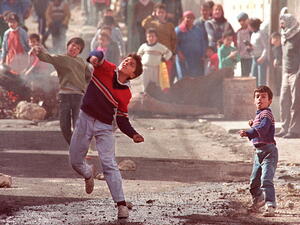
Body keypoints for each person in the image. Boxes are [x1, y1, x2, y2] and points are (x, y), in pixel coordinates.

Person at [69, 50, 144, 219]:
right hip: (85, 119)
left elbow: (122, 119)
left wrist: (133, 134)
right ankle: (88, 173)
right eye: (126, 60)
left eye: (131, 64)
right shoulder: (107, 69)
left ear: (133, 74)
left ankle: (121, 204)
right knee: (74, 161)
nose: (126, 63)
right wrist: (94, 57)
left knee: (109, 163)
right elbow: (97, 55)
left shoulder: (126, 93)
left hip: (104, 126)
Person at [32, 37, 92, 144]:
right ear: (68, 45)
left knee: (78, 123)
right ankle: (73, 144)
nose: (74, 48)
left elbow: (89, 76)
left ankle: (78, 147)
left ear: (79, 52)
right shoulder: (61, 58)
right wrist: (38, 51)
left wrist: (85, 86)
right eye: (73, 45)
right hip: (64, 96)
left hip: (78, 96)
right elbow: (47, 57)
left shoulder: (82, 62)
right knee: (64, 124)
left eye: (78, 48)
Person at [239, 85, 278, 217]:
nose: (260, 99)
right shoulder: (259, 115)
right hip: (258, 153)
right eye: (257, 97)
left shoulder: (266, 114)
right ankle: (259, 200)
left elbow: (263, 128)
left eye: (263, 97)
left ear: (270, 101)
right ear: (254, 100)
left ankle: (270, 205)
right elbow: (258, 125)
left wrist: (249, 131)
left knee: (266, 179)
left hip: (268, 152)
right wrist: (252, 124)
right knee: (254, 182)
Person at [275, 9, 300, 139]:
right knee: (284, 100)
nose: (281, 25)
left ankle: (295, 130)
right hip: (286, 73)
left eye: (283, 23)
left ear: (289, 22)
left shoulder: (298, 36)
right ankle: (284, 128)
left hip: (296, 73)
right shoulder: (285, 35)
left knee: (296, 102)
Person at [142, 3, 176, 84]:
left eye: (162, 12)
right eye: (159, 12)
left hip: (166, 56)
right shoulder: (153, 24)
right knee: (155, 79)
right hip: (155, 56)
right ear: (156, 13)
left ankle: (166, 96)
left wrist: (173, 53)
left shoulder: (170, 25)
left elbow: (173, 40)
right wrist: (151, 16)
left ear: (165, 14)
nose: (161, 14)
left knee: (166, 79)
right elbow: (144, 24)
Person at [175, 11, 205, 79]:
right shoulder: (179, 30)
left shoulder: (198, 30)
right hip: (183, 59)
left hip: (196, 59)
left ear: (194, 19)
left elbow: (202, 42)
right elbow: (174, 43)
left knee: (195, 78)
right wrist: (179, 53)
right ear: (183, 18)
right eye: (187, 17)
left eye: (191, 18)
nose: (189, 19)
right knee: (184, 79)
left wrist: (203, 54)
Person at [248, 18, 268, 87]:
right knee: (253, 77)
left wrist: (263, 57)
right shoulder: (253, 34)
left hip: (260, 58)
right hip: (254, 58)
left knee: (261, 79)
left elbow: (266, 47)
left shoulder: (261, 34)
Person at [236, 12, 252, 77]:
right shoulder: (238, 32)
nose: (242, 22)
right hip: (243, 57)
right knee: (244, 75)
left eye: (243, 20)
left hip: (251, 56)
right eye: (240, 21)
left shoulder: (251, 31)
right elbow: (238, 45)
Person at [270, 32, 282, 96]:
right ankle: (277, 92)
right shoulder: (273, 48)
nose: (272, 40)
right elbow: (275, 57)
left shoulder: (283, 47)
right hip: (277, 67)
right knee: (277, 80)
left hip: (282, 67)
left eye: (273, 38)